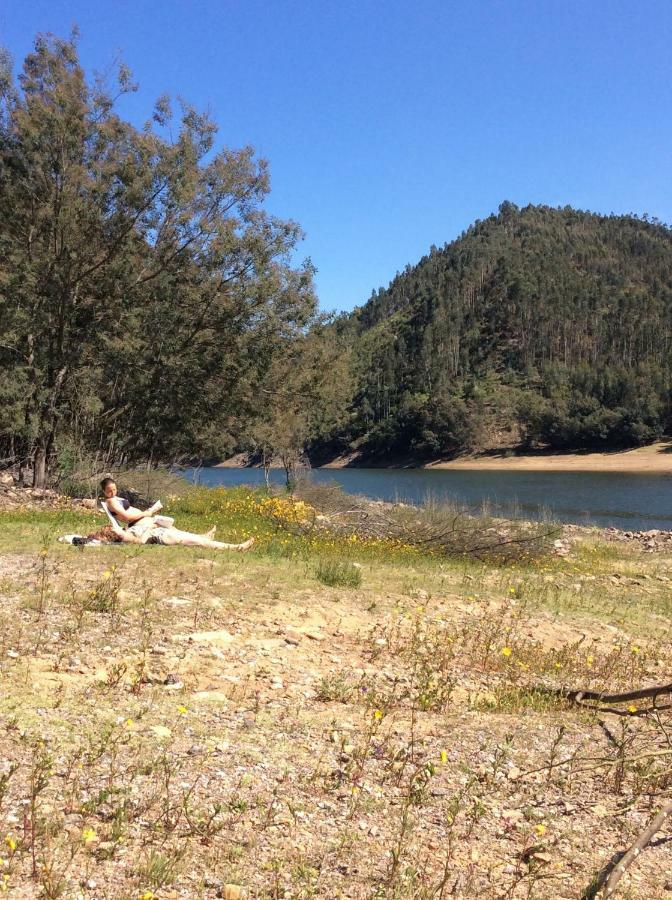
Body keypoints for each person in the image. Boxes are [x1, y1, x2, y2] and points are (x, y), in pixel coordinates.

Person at [99, 478, 254, 551]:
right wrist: (147, 512)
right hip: (143, 527)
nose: (112, 492)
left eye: (114, 488)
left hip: (148, 525)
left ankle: (207, 537)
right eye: (109, 491)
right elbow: (126, 518)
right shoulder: (111, 501)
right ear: (104, 492)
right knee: (189, 539)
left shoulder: (116, 498)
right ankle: (234, 547)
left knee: (186, 535)